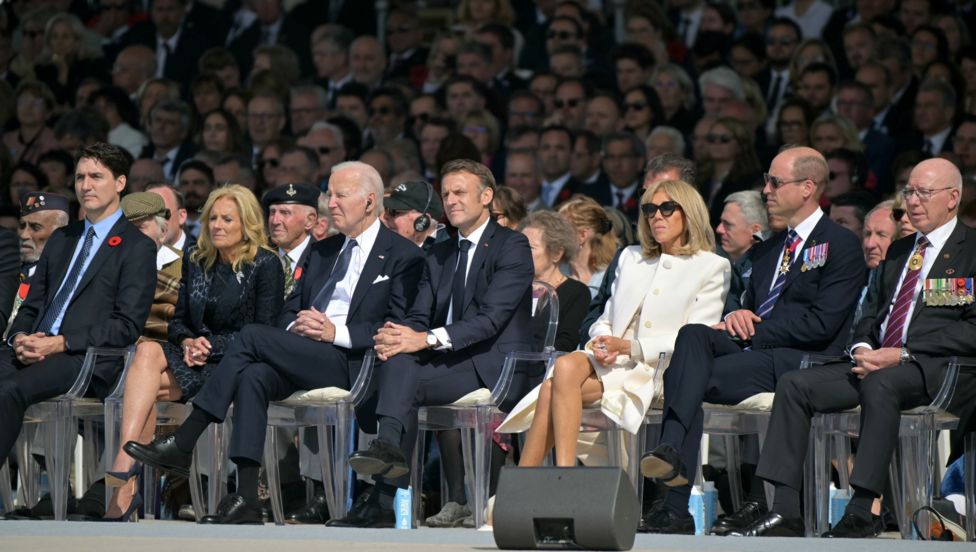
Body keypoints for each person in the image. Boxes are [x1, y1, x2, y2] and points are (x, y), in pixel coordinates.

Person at [126, 162, 423, 525]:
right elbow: (288, 309)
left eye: (339, 195)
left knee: (251, 336)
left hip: (353, 361)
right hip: (306, 351)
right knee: (253, 375)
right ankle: (248, 497)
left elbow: (397, 326)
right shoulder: (323, 249)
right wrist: (298, 327)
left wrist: (335, 332)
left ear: (369, 201)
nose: (330, 203)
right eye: (329, 193)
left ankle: (186, 439)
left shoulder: (404, 254)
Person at [738, 158, 976, 538]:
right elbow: (870, 313)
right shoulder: (899, 252)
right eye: (910, 192)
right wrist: (865, 346)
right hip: (877, 363)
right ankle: (785, 509)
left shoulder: (971, 250)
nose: (913, 201)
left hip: (938, 369)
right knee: (797, 385)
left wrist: (904, 352)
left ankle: (864, 507)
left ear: (952, 198)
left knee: (881, 385)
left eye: (923, 193)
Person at [640, 146, 867, 534]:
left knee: (687, 377)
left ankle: (674, 503)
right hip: (755, 349)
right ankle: (673, 457)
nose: (766, 190)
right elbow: (749, 306)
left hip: (801, 359)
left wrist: (753, 328)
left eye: (775, 182)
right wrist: (734, 316)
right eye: (766, 181)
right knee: (693, 335)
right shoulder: (769, 248)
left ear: (808, 187)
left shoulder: (840, 245)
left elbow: (822, 326)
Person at [339, 159, 534, 528]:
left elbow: (491, 319)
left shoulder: (512, 246)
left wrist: (423, 338)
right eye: (446, 194)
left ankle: (383, 493)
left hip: (492, 364)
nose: (451, 200)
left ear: (486, 196)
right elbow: (418, 313)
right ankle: (387, 467)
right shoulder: (440, 251)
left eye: (460, 192)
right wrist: (399, 336)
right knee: (397, 361)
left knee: (403, 376)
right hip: (448, 361)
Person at [499, 179, 730, 468]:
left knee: (551, 389)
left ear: (689, 212)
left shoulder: (711, 266)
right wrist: (601, 339)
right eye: (649, 209)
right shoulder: (631, 257)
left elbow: (696, 338)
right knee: (565, 366)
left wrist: (629, 347)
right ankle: (564, 472)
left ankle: (531, 479)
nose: (656, 216)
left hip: (656, 369)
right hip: (607, 360)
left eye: (667, 208)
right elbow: (606, 317)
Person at [105, 184, 284, 520]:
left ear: (246, 223)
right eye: (212, 218)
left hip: (234, 365)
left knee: (142, 392)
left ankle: (124, 486)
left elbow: (265, 333)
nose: (216, 225)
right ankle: (126, 460)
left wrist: (210, 346)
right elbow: (180, 323)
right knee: (146, 354)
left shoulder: (265, 264)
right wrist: (188, 342)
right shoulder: (196, 259)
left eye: (226, 219)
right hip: (192, 359)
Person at [0, 143, 157, 465]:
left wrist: (60, 343)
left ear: (120, 183)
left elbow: (126, 325)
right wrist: (19, 338)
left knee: (9, 390)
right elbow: (32, 304)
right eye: (80, 177)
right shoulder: (63, 238)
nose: (86, 186)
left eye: (96, 176)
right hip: (35, 348)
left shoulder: (136, 246)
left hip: (84, 357)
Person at [518, 211, 591, 353]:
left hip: (545, 370)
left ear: (557, 253)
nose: (520, 252)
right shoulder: (512, 287)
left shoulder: (576, 293)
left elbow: (566, 342)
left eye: (530, 248)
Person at [5, 192, 69, 337]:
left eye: (35, 227)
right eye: (22, 226)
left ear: (59, 233)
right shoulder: (7, 267)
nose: (23, 235)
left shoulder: (64, 275)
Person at [264, 183, 318, 299]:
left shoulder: (325, 258)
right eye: (272, 212)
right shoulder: (257, 255)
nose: (275, 221)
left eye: (285, 213)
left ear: (310, 221)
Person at [382, 180, 448, 250]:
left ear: (422, 221)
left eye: (394, 212)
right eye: (386, 209)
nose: (385, 216)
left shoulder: (446, 257)